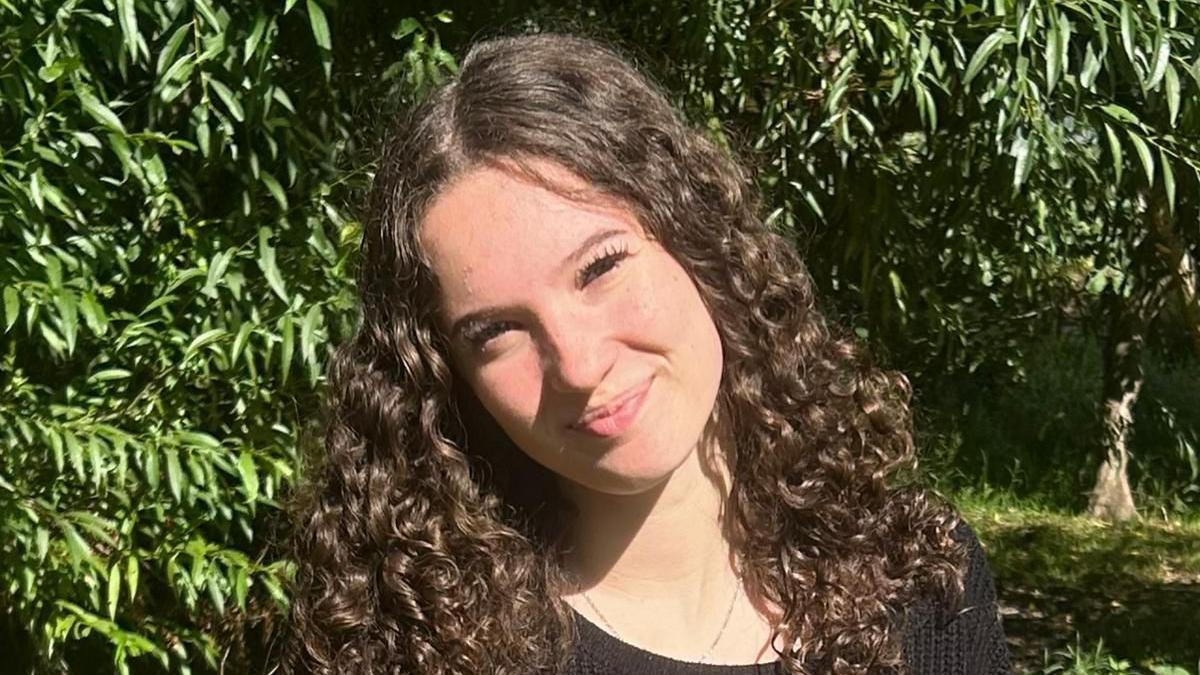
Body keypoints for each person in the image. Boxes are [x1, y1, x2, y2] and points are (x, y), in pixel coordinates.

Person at [284, 33, 1010, 675]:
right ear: (450, 378)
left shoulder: (920, 579)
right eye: (497, 331)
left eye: (600, 267)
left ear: (697, 239)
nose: (577, 364)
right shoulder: (414, 653)